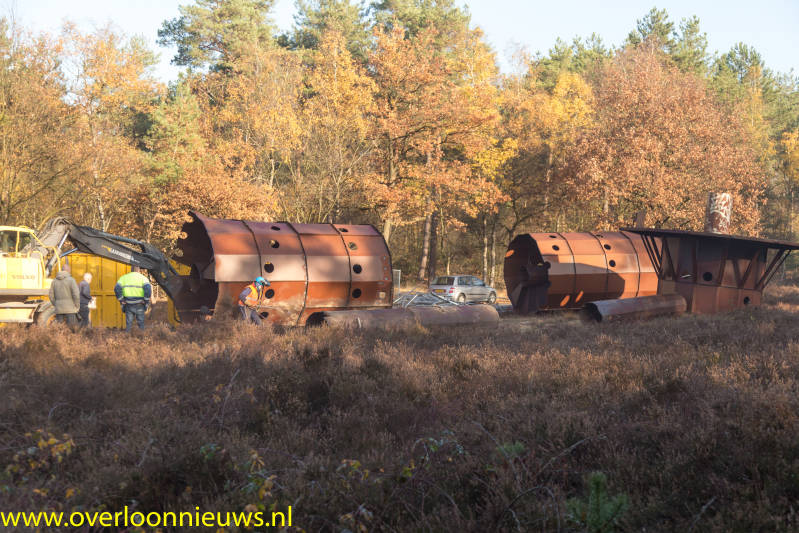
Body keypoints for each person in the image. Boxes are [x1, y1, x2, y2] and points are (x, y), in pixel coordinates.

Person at [114, 266, 152, 332]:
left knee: (128, 324)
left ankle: (127, 339)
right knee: (141, 324)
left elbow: (117, 288)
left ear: (131, 270)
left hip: (128, 304)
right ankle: (142, 338)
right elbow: (148, 289)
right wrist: (145, 300)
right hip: (140, 304)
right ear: (139, 270)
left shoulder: (124, 278)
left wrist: (121, 300)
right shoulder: (143, 278)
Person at [48, 263, 79, 330]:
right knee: (71, 329)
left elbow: (51, 295)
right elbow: (76, 295)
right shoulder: (71, 280)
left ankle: (60, 340)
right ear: (68, 270)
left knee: (60, 329)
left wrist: (56, 304)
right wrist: (77, 306)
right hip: (70, 309)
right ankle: (69, 340)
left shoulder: (54, 281)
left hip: (59, 308)